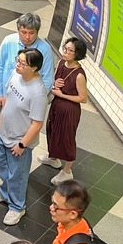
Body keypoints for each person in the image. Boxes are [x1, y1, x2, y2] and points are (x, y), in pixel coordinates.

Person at [0, 13, 54, 181]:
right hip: (7, 98)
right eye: (24, 32)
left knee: (22, 139)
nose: (27, 37)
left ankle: (16, 172)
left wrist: (31, 99)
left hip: (27, 106)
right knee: (2, 132)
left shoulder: (44, 49)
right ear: (18, 29)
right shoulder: (9, 41)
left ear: (37, 32)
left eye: (31, 33)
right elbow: (0, 67)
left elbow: (47, 79)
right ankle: (2, 167)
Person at [0, 48, 48, 226]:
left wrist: (22, 145)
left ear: (34, 68)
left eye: (23, 63)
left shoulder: (38, 93)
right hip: (4, 132)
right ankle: (5, 193)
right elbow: (8, 98)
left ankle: (17, 206)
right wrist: (0, 119)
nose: (18, 65)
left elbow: (37, 124)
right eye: (18, 61)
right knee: (2, 167)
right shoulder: (16, 74)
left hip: (19, 140)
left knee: (17, 176)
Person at [39, 38, 89, 185]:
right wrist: (55, 84)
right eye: (65, 48)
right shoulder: (61, 63)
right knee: (52, 130)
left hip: (69, 110)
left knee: (66, 138)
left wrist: (62, 95)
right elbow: (54, 80)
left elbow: (83, 98)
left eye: (69, 50)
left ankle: (67, 171)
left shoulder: (79, 74)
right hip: (57, 106)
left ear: (77, 53)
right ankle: (53, 157)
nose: (65, 52)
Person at [50, 180, 95, 244]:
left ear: (73, 214)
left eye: (56, 206)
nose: (51, 208)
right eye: (52, 202)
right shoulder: (80, 223)